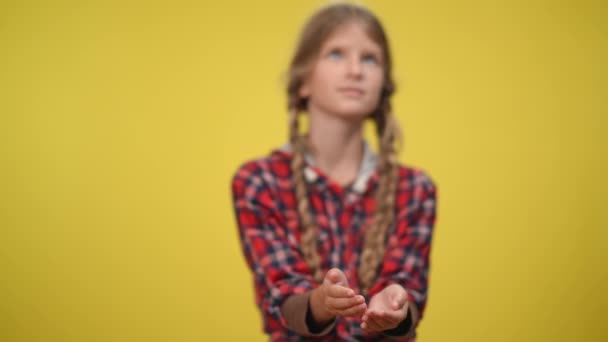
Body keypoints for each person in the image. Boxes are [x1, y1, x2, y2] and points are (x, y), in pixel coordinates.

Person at [231, 2, 438, 341]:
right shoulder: (258, 182)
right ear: (303, 82)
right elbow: (281, 293)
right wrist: (323, 301)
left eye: (370, 58)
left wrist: (396, 306)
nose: (355, 70)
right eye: (336, 54)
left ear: (383, 85)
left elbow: (409, 290)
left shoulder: (415, 190)